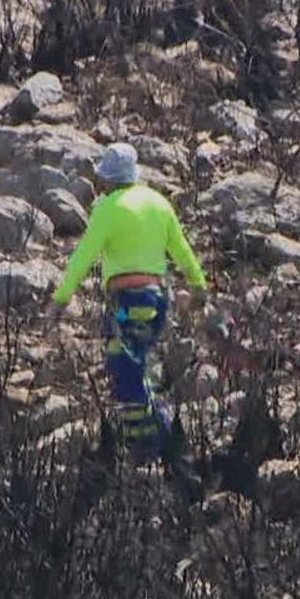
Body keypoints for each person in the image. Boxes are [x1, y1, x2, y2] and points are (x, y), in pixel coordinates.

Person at [50, 142, 209, 463]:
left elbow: (84, 256)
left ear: (107, 179)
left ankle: (151, 444)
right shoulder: (158, 203)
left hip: (127, 303)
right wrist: (198, 286)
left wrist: (61, 299)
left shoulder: (108, 208)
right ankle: (162, 439)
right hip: (156, 301)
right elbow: (181, 249)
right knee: (141, 366)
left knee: (125, 370)